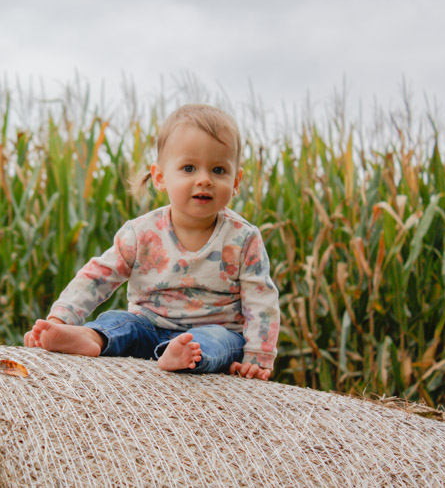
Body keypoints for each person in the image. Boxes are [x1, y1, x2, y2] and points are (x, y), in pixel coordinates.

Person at [24, 104, 280, 380]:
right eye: (189, 168)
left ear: (236, 180)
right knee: (119, 322)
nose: (204, 180)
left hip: (214, 332)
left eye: (218, 170)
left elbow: (260, 300)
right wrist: (61, 318)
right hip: (148, 326)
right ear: (160, 177)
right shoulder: (141, 233)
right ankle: (91, 338)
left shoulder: (243, 238)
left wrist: (257, 357)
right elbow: (97, 277)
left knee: (218, 341)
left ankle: (180, 355)